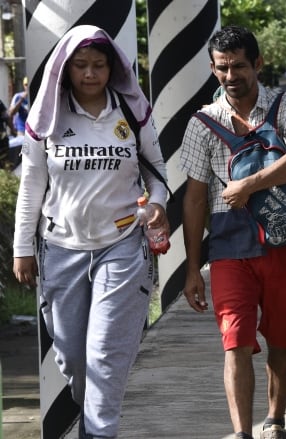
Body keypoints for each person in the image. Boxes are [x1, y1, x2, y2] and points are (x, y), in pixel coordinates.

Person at [12, 25, 170, 438]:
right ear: (65, 69)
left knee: (104, 354)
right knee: (74, 359)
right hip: (60, 249)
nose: (89, 74)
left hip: (121, 247)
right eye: (80, 65)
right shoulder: (46, 117)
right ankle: (94, 417)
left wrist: (156, 204)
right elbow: (31, 188)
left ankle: (99, 433)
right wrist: (21, 248)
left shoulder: (132, 112)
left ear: (112, 67)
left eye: (99, 65)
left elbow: (158, 173)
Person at [179, 25, 286, 439]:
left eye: (239, 66)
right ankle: (243, 433)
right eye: (222, 68)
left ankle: (275, 419)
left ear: (257, 64)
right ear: (213, 68)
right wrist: (192, 268)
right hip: (228, 248)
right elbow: (193, 199)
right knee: (235, 340)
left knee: (282, 339)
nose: (231, 76)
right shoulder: (203, 123)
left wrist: (249, 184)